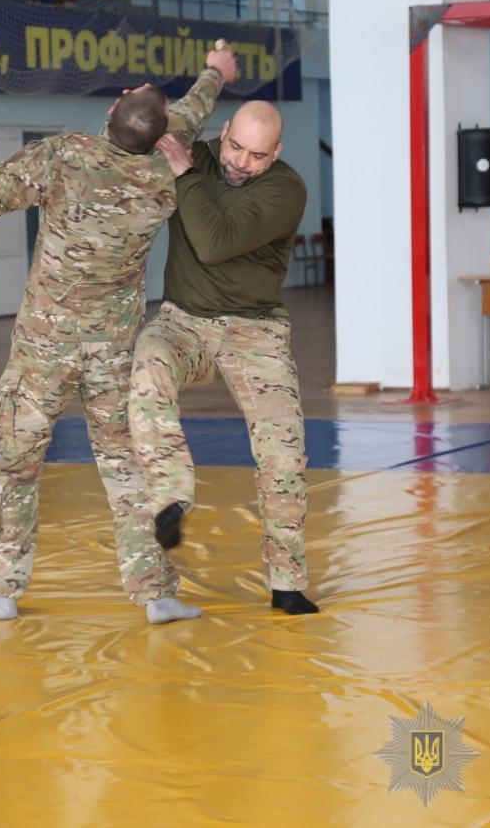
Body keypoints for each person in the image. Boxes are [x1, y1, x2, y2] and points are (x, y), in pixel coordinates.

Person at [0, 50, 237, 625]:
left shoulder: (63, 156)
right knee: (126, 465)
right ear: (158, 135)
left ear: (109, 114)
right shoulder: (164, 175)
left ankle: (4, 588)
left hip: (42, 349)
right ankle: (155, 593)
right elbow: (190, 112)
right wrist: (216, 70)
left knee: (18, 464)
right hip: (113, 351)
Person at [130, 100, 318, 616]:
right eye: (235, 146)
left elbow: (214, 242)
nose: (241, 162)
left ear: (275, 153)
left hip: (254, 330)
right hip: (183, 320)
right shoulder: (195, 153)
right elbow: (137, 133)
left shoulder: (286, 188)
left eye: (258, 155)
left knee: (284, 455)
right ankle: (171, 496)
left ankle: (286, 582)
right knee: (147, 363)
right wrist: (137, 108)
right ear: (224, 132)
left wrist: (185, 174)